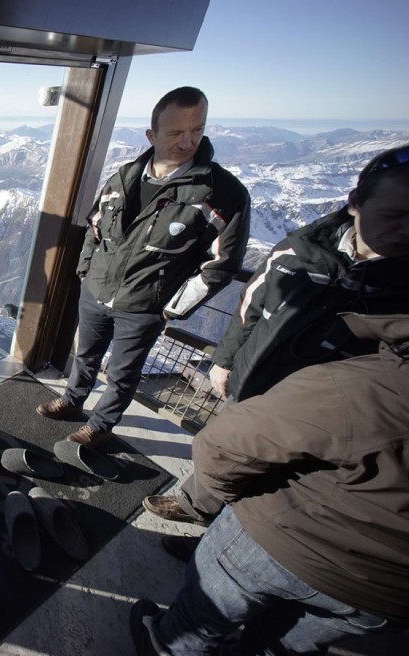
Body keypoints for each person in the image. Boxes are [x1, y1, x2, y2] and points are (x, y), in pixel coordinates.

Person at [144, 143, 409, 531]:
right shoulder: (297, 253)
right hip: (256, 381)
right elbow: (250, 307)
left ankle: (235, 533)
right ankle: (196, 504)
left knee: (283, 481)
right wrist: (225, 358)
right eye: (395, 214)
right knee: (230, 444)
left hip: (327, 415)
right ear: (355, 204)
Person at [130, 312, 409, 655]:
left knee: (196, 624)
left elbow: (221, 448)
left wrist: (240, 505)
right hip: (388, 595)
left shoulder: (372, 385)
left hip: (282, 541)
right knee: (276, 647)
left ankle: (164, 645)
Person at [38, 87, 250, 451]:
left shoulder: (223, 194)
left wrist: (168, 308)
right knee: (85, 355)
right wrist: (86, 272)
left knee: (122, 373)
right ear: (151, 135)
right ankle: (73, 401)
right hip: (96, 291)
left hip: (143, 307)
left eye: (197, 130)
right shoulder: (125, 176)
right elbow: (94, 225)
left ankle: (101, 425)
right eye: (175, 133)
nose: (188, 142)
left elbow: (222, 265)